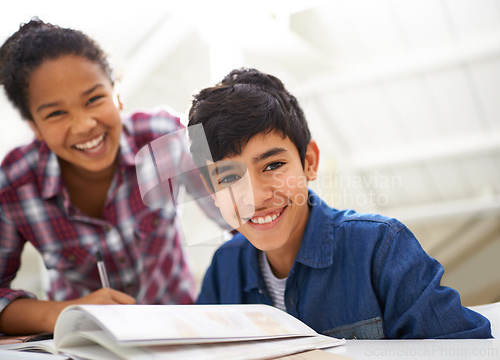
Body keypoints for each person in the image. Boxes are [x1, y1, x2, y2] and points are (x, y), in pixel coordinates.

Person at [187, 67, 492, 339]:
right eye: (228, 179)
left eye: (272, 166)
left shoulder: (380, 248)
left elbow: (471, 350)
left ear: (309, 161)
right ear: (211, 191)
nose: (254, 197)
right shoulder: (223, 271)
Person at [0, 18, 211, 335]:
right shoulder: (14, 185)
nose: (84, 124)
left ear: (117, 94)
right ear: (34, 126)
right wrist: (68, 313)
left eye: (94, 99)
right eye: (56, 113)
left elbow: (241, 219)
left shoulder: (165, 137)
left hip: (178, 332)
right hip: (84, 341)